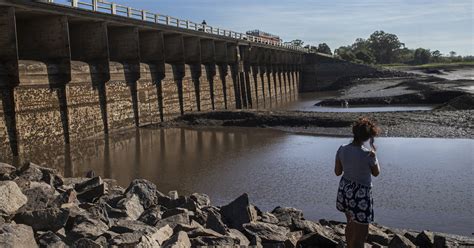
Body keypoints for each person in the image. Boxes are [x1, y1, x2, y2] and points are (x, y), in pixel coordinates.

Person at [334, 117, 381, 248]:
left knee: (350, 223)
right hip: (361, 195)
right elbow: (376, 173)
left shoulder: (342, 149)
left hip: (345, 191)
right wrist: (374, 157)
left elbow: (337, 172)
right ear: (368, 137)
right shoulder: (368, 154)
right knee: (361, 234)